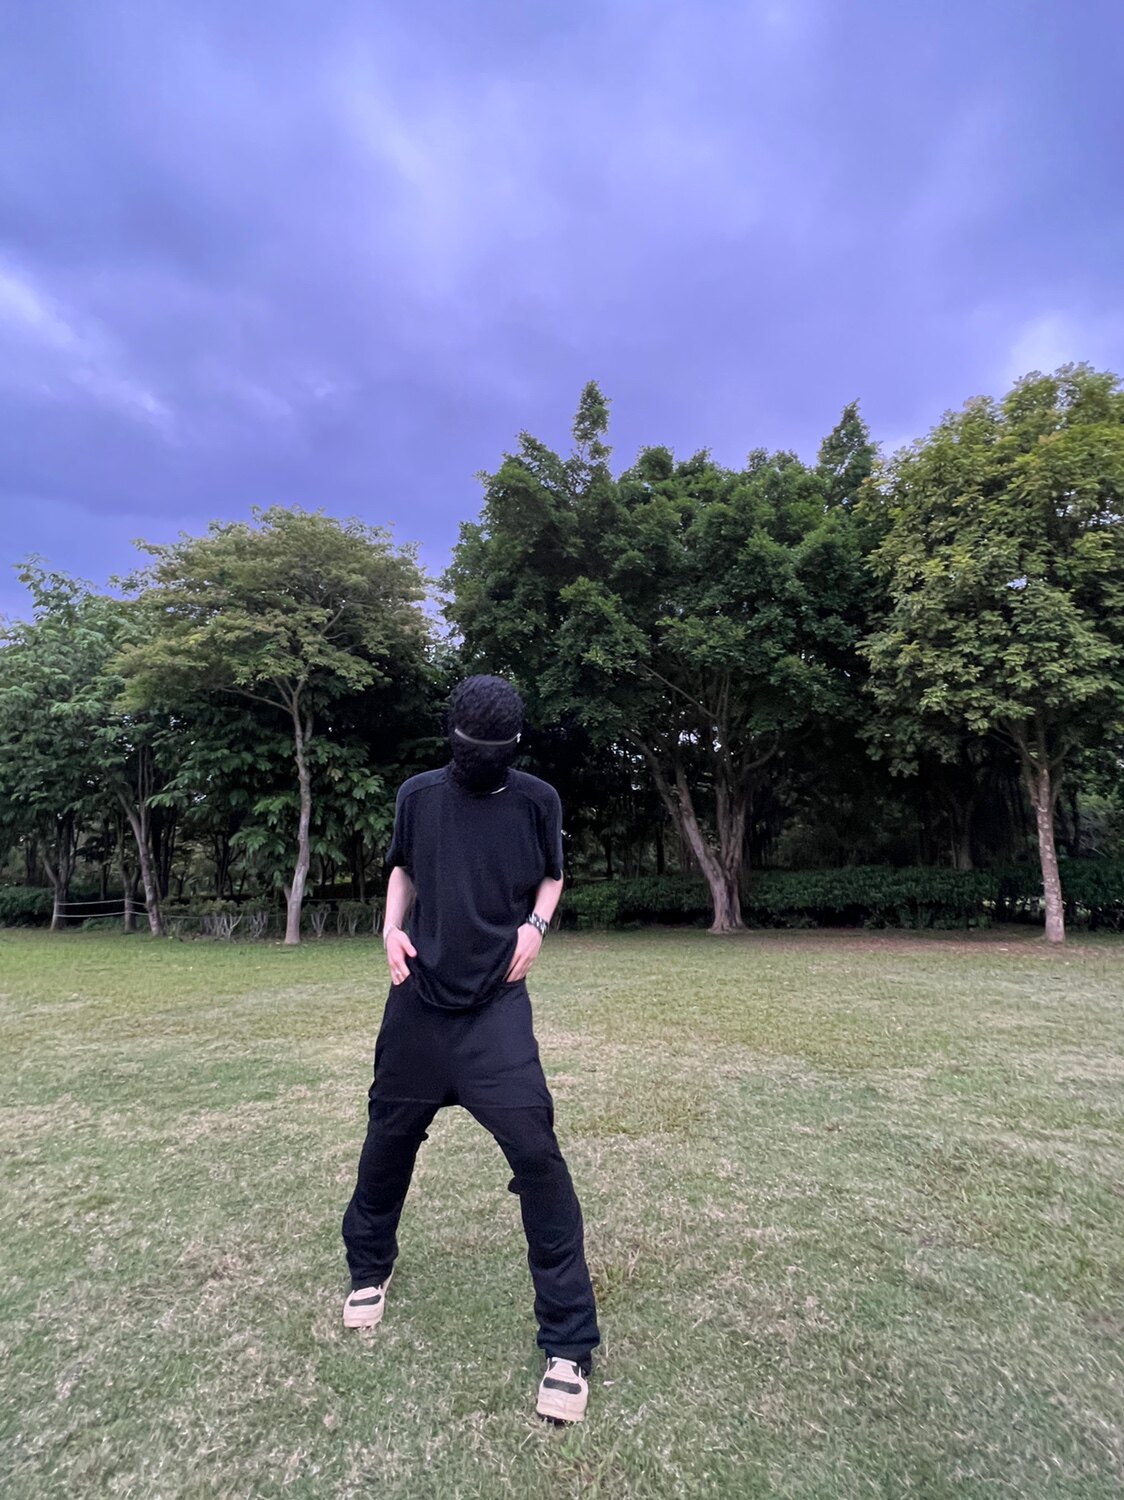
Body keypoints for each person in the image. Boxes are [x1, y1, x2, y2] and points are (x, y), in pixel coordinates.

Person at [341, 674, 600, 1424]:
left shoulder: (537, 800)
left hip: (496, 1012)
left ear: (513, 746)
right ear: (450, 737)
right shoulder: (417, 796)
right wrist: (390, 927)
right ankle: (368, 1268)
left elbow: (552, 875)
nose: (478, 761)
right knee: (387, 1141)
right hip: (417, 1004)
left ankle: (568, 1344)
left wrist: (536, 927)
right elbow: (403, 869)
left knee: (539, 1159)